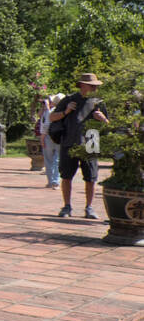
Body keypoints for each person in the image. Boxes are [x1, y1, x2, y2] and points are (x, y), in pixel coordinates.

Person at [49, 74, 109, 218]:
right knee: (66, 176)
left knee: (91, 178)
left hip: (91, 142)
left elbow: (108, 125)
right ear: (82, 85)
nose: (95, 88)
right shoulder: (69, 99)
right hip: (70, 141)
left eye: (96, 85)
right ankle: (67, 206)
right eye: (92, 85)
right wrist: (65, 111)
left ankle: (89, 207)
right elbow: (52, 117)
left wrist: (103, 119)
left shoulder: (99, 102)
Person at [38, 93, 63, 189]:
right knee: (57, 160)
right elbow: (39, 115)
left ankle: (53, 181)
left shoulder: (52, 111)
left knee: (50, 160)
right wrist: (44, 107)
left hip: (49, 137)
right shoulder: (63, 111)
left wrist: (42, 138)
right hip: (59, 137)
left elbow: (46, 125)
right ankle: (54, 181)